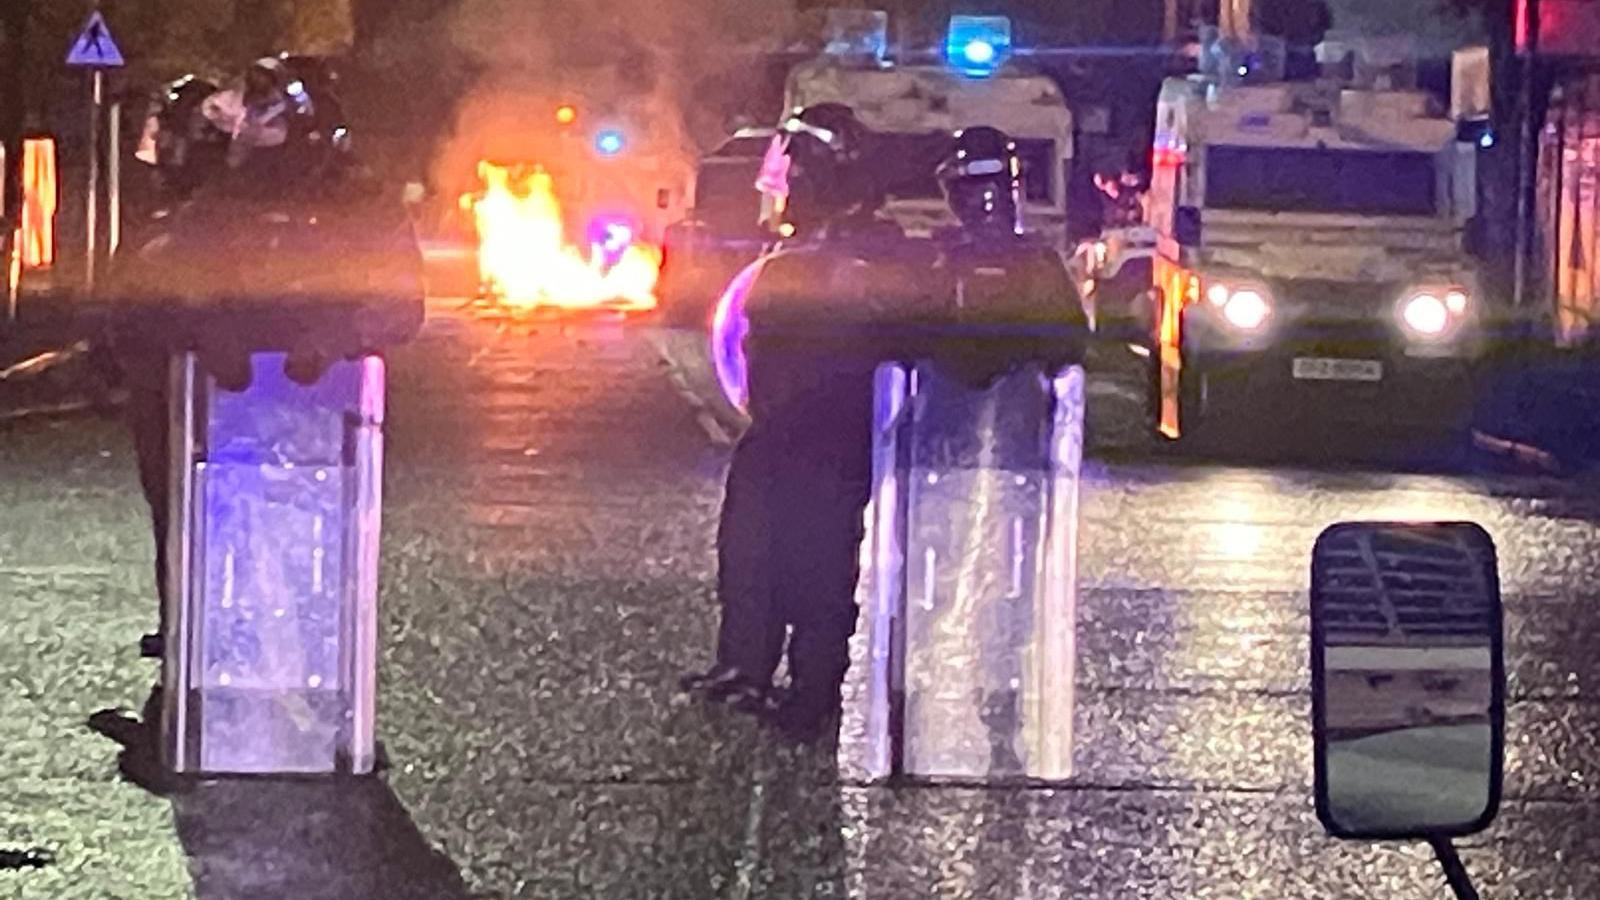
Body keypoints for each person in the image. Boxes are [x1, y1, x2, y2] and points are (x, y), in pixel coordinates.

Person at [682, 103, 928, 742]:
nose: (782, 187)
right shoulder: (795, 249)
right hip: (773, 426)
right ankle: (744, 666)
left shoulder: (874, 250)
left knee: (819, 559)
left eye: (794, 174)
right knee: (749, 545)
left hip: (830, 430)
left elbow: (892, 337)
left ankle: (812, 690)